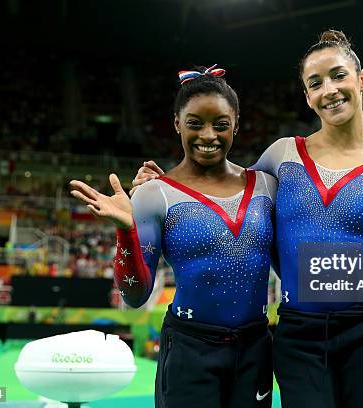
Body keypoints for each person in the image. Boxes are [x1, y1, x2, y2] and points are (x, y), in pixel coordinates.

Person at [133, 31, 363, 408]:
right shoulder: (282, 156)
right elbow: (226, 198)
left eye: (338, 75)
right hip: (298, 337)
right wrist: (165, 185)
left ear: (362, 79)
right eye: (315, 83)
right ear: (307, 96)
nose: (329, 90)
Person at [70, 66, 276, 408]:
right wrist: (127, 232)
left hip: (255, 349)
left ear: (236, 124)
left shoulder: (267, 186)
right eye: (195, 123)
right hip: (189, 350)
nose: (208, 135)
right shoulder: (154, 195)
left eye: (220, 125)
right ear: (177, 123)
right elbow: (134, 297)